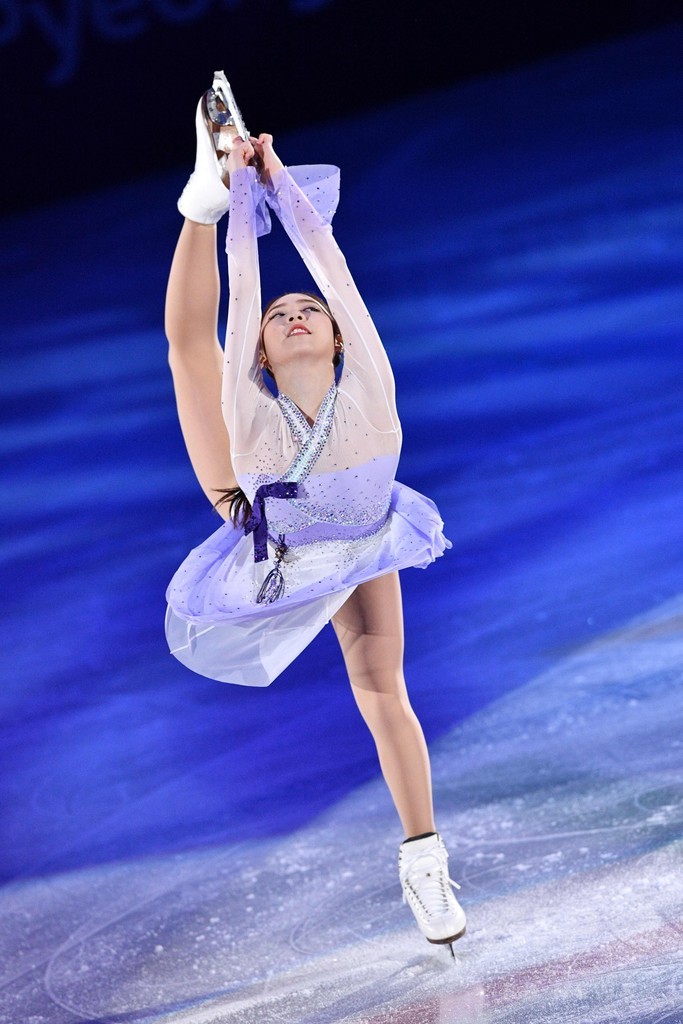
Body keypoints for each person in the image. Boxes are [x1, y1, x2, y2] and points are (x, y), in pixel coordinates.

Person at [164, 91, 466, 954]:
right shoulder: (246, 399)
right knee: (188, 353)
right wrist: (235, 198)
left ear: (337, 338)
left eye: (309, 313)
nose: (294, 312)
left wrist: (282, 185)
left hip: (361, 536)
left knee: (380, 690)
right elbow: (235, 304)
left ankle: (422, 858)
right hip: (255, 510)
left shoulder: (366, 376)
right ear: (261, 351)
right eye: (277, 316)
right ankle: (195, 200)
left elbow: (328, 264)